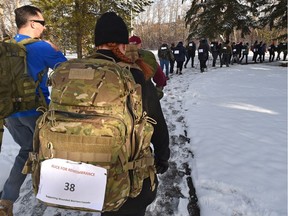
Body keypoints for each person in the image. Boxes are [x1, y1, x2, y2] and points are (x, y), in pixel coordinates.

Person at [93, 12, 170, 216]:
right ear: (123, 44)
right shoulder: (133, 75)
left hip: (85, 171)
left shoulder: (74, 71)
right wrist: (162, 158)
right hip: (125, 175)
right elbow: (156, 123)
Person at [0, 5, 67, 215]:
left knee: (27, 150)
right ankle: (59, 192)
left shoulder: (5, 47)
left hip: (9, 112)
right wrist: (55, 52)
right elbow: (67, 71)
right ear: (31, 23)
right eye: (42, 24)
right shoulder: (42, 47)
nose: (44, 29)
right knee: (53, 149)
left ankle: (6, 201)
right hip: (34, 111)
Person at [128, 35, 167, 99]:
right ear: (140, 44)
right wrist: (158, 91)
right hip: (145, 93)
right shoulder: (148, 56)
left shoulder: (120, 55)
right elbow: (160, 77)